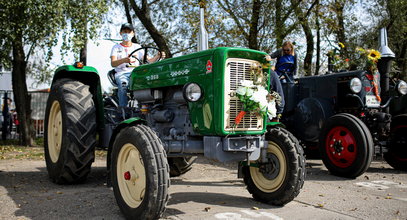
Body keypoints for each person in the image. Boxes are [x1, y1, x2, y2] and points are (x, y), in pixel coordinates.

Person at [110, 23, 165, 107]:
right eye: (125, 31)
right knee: (123, 85)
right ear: (121, 33)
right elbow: (113, 63)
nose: (127, 34)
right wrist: (124, 60)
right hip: (122, 74)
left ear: (133, 34)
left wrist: (158, 56)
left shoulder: (137, 47)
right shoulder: (116, 47)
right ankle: (123, 110)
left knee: (151, 82)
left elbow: (149, 61)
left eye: (129, 32)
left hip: (136, 73)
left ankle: (149, 107)